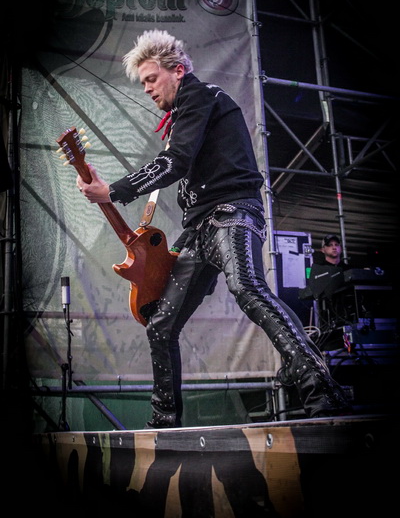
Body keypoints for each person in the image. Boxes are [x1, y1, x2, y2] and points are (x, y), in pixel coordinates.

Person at [77, 29, 351, 427]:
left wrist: (112, 190)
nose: (147, 89)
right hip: (199, 228)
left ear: (178, 70)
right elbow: (178, 163)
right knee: (161, 325)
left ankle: (321, 389)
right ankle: (164, 421)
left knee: (248, 288)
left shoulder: (201, 96)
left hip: (232, 211)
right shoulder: (183, 115)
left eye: (151, 79)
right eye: (143, 83)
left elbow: (175, 163)